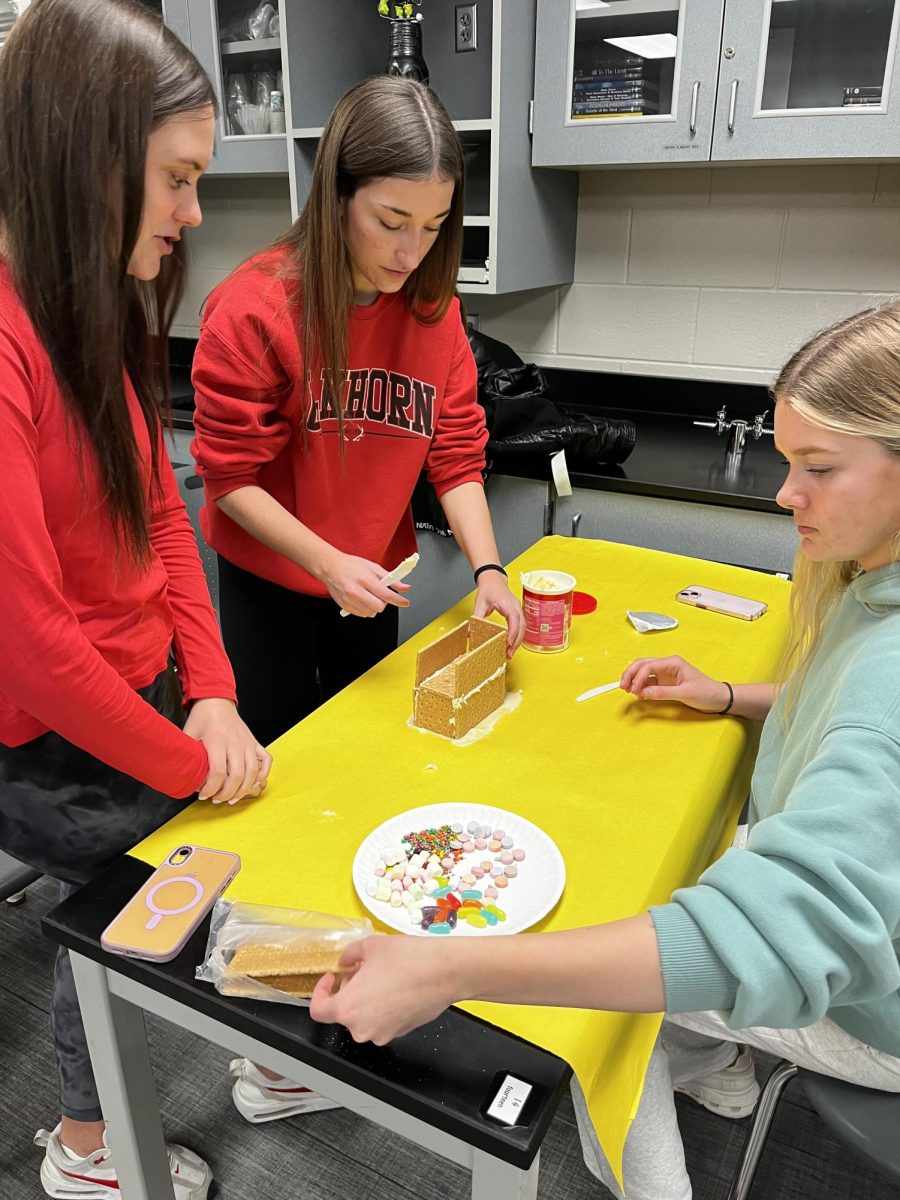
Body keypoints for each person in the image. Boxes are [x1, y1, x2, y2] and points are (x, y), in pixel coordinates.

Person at [309, 302, 900, 1199]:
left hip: (873, 1006)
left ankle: (649, 1184)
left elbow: (788, 933)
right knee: (664, 867)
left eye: (817, 469)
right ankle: (722, 1072)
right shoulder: (874, 587)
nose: (786, 495)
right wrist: (733, 696)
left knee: (597, 967)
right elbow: (844, 724)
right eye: (787, 464)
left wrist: (453, 964)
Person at [0, 3, 271, 1196]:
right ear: (85, 153)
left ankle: (271, 1057)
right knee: (128, 915)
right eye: (177, 177)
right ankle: (87, 1146)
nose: (193, 213)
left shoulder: (83, 306)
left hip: (140, 685)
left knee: (201, 873)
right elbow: (32, 646)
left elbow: (163, 512)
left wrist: (208, 691)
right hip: (52, 729)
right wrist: (187, 770)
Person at [191, 74, 525, 757]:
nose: (411, 252)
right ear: (336, 195)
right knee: (277, 762)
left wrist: (489, 573)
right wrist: (326, 564)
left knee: (365, 754)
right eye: (391, 221)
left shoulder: (435, 314)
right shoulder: (254, 309)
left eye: (433, 227)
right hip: (272, 583)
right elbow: (230, 479)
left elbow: (456, 456)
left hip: (375, 579)